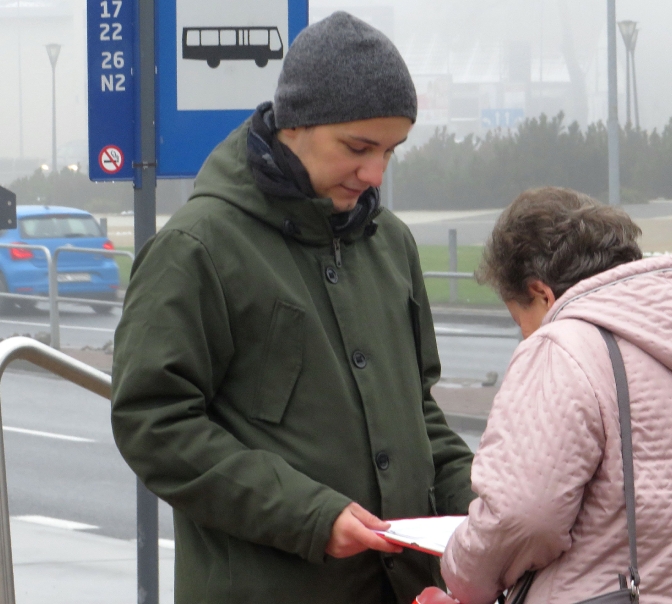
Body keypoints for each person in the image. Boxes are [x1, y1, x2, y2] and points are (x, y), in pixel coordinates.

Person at [110, 12, 475, 604]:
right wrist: (309, 516)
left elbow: (419, 412)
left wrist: (482, 503)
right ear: (295, 123)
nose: (375, 173)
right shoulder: (196, 247)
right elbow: (153, 424)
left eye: (390, 151)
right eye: (358, 147)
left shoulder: (392, 243)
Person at [433, 187, 672, 604]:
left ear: (541, 294)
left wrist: (462, 575)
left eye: (519, 319)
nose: (524, 334)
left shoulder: (564, 346)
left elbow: (522, 516)